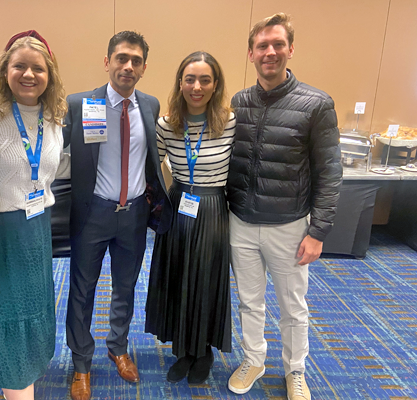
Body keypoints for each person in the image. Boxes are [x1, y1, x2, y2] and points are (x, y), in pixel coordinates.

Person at [226, 13, 342, 400]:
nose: (270, 52)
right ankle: (254, 359)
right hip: (241, 221)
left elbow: (330, 173)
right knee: (248, 301)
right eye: (262, 46)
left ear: (290, 49)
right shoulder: (239, 101)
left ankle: (295, 370)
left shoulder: (317, 104)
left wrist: (318, 231)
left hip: (290, 226)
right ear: (251, 53)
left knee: (293, 307)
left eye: (278, 44)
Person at [0, 30, 69, 400]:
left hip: (35, 230)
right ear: (5, 69)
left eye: (38, 68)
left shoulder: (53, 116)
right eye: (19, 66)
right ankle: (14, 378)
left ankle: (20, 373)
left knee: (33, 305)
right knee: (3, 306)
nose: (28, 74)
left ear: (49, 74)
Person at [63, 31, 172, 400]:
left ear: (143, 68)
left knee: (125, 286)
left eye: (136, 60)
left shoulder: (151, 105)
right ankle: (81, 364)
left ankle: (118, 346)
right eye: (121, 58)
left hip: (135, 214)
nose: (128, 66)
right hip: (93, 212)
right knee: (83, 290)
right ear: (106, 61)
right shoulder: (79, 105)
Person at [145, 51, 236, 384]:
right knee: (179, 278)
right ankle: (183, 350)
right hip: (179, 203)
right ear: (180, 83)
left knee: (206, 280)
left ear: (215, 85)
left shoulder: (229, 122)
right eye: (190, 79)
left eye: (205, 80)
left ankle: (204, 351)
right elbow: (151, 166)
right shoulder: (167, 124)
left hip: (212, 208)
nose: (196, 86)